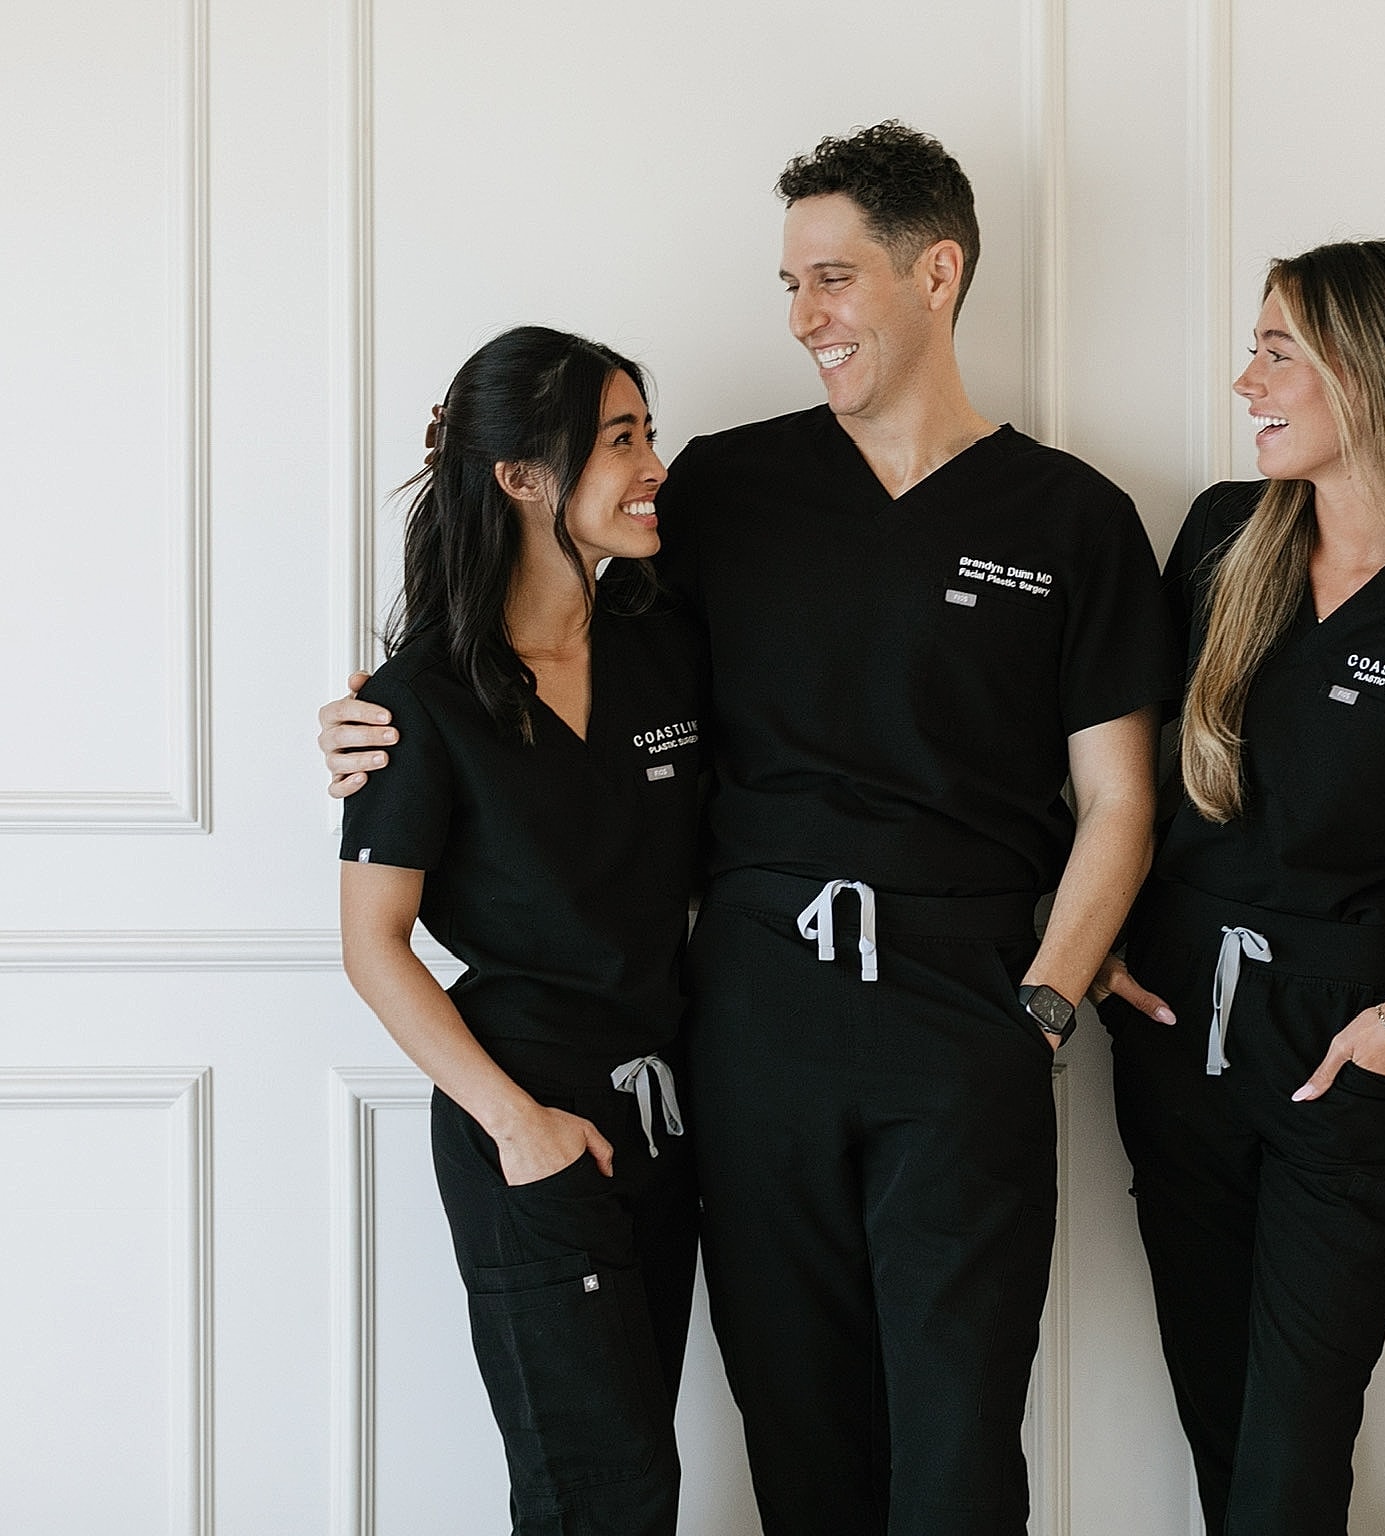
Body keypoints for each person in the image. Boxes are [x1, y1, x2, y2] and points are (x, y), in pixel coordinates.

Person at [322, 123, 1172, 1536]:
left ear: (938, 271)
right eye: (789, 284)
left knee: (961, 1443)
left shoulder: (1074, 517)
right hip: (755, 1017)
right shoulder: (723, 489)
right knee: (800, 1429)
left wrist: (1040, 1007)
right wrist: (376, 716)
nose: (801, 320)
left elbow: (1122, 801)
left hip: (966, 1014)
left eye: (831, 279)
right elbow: (545, 652)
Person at [1090, 241, 1385, 1534]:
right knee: (1220, 1423)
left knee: (1295, 1449)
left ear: (1373, 372)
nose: (1246, 377)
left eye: (1277, 348)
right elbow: (1113, 765)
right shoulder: (1217, 536)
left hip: (1344, 1042)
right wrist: (1101, 936)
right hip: (1172, 1023)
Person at [337, 327, 701, 1535]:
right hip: (530, 1124)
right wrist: (519, 1126)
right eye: (621, 439)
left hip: (676, 1117)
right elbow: (374, 943)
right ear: (521, 476)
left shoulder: (665, 643)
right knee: (598, 1493)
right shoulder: (417, 704)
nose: (654, 463)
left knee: (645, 1469)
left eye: (647, 431)